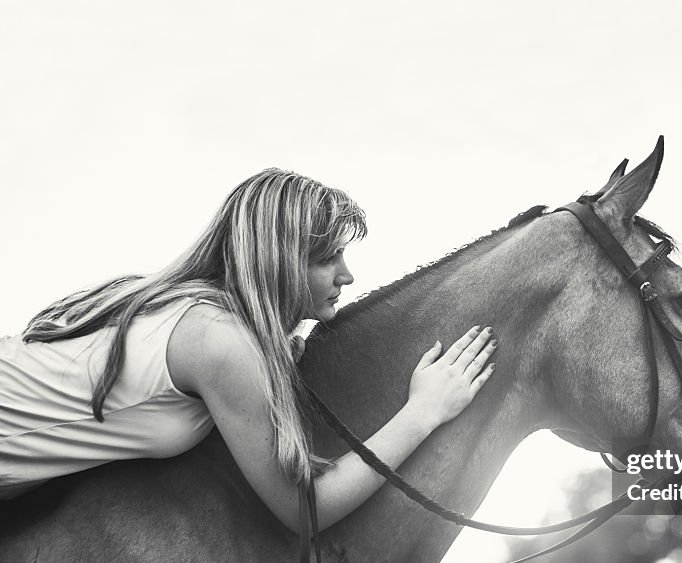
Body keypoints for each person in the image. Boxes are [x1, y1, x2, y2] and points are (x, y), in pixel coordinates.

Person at [0, 168, 497, 532]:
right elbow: (307, 511)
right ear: (275, 259)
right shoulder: (217, 342)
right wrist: (422, 413)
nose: (347, 276)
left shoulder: (196, 316)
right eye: (327, 258)